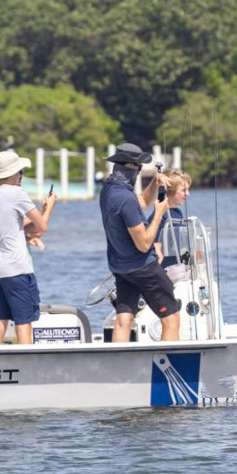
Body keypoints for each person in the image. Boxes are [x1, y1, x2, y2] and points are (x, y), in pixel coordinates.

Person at [99, 143, 181, 342]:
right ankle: (170, 368)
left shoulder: (108, 191)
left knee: (123, 320)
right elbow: (144, 244)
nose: (139, 172)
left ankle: (118, 367)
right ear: (131, 168)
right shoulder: (125, 199)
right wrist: (159, 214)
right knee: (171, 319)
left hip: (120, 268)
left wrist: (155, 181)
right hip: (143, 267)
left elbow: (143, 203)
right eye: (140, 168)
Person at [0, 150, 57, 345]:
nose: (21, 176)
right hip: (16, 270)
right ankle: (28, 369)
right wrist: (49, 208)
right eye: (20, 172)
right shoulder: (16, 193)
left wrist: (39, 215)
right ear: (13, 174)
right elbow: (41, 227)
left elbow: (18, 229)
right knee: (24, 323)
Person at [148, 170, 192, 268]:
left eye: (188, 190)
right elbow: (153, 245)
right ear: (171, 191)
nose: (187, 194)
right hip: (165, 268)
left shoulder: (178, 213)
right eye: (184, 190)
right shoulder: (159, 216)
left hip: (179, 265)